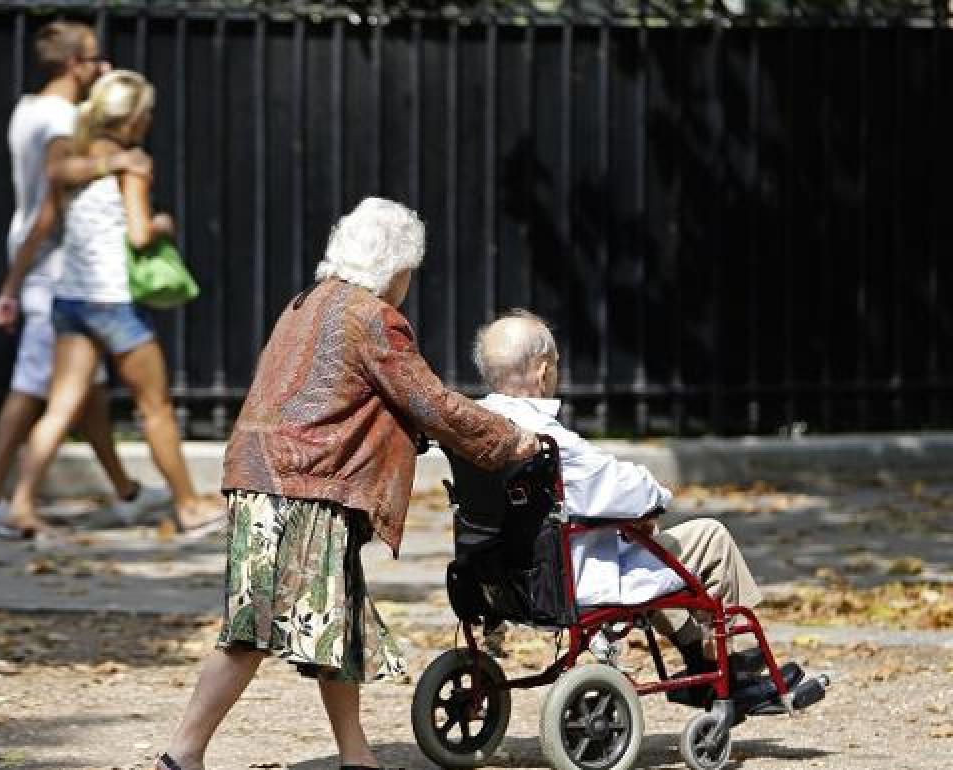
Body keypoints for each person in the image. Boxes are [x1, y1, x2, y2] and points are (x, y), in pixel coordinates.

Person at [153, 198, 545, 770]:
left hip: (267, 479)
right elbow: (427, 401)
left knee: (335, 625)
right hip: (300, 487)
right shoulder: (372, 317)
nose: (410, 280)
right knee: (253, 628)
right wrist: (510, 439)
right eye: (410, 267)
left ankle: (356, 756)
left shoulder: (305, 303)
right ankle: (182, 753)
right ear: (394, 267)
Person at [471, 309, 800, 706]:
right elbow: (632, 491)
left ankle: (698, 653)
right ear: (543, 372)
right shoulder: (552, 441)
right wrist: (657, 500)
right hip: (572, 576)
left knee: (648, 549)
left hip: (506, 577)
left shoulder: (475, 428)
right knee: (710, 537)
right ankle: (731, 663)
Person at [0, 69, 223, 537]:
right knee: (155, 407)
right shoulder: (131, 164)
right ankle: (188, 505)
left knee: (59, 408)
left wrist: (10, 287)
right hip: (115, 302)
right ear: (135, 118)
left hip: (71, 299)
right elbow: (139, 235)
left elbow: (46, 217)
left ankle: (19, 504)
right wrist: (163, 224)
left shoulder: (72, 161)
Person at [0, 20, 169, 536]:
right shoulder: (59, 117)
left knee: (84, 395)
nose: (102, 67)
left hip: (49, 267)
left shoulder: (27, 109)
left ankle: (126, 491)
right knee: (38, 390)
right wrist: (12, 284)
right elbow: (54, 191)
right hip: (54, 268)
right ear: (74, 64)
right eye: (95, 58)